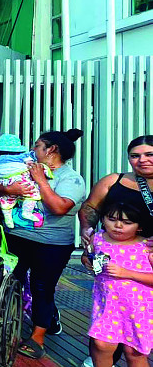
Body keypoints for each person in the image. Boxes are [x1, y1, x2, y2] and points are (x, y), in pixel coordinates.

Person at [0, 129, 86, 360]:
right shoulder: (26, 166)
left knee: (42, 288)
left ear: (51, 150)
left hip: (51, 243)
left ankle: (38, 337)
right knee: (8, 280)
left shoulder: (71, 178)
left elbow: (59, 207)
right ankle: (4, 323)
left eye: (37, 146)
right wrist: (7, 189)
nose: (32, 149)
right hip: (16, 237)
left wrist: (41, 181)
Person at [77, 135, 153, 367]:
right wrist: (88, 234)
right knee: (103, 339)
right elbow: (90, 207)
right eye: (135, 156)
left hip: (146, 262)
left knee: (136, 348)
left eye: (149, 154)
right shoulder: (114, 181)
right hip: (113, 257)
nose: (142, 160)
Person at [85, 203, 153, 367]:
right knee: (101, 345)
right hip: (107, 305)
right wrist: (87, 260)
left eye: (127, 222)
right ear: (103, 219)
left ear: (139, 226)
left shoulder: (147, 247)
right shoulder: (98, 239)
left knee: (134, 352)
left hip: (138, 310)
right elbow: (89, 256)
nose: (118, 225)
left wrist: (126, 273)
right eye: (111, 219)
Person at [0, 134, 52, 228]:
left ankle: (8, 217)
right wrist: (46, 169)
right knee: (32, 193)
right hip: (19, 178)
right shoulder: (22, 156)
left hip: (4, 180)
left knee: (7, 199)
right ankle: (26, 212)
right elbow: (31, 161)